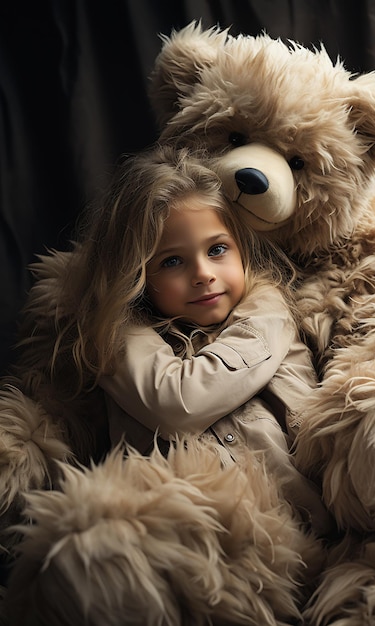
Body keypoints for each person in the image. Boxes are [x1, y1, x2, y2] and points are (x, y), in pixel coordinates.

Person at [29, 145, 331, 534]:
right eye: (172, 261)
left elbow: (183, 402)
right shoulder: (112, 335)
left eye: (218, 249)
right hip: (187, 538)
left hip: (303, 529)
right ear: (137, 274)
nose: (203, 273)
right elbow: (170, 400)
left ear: (242, 250)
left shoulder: (267, 309)